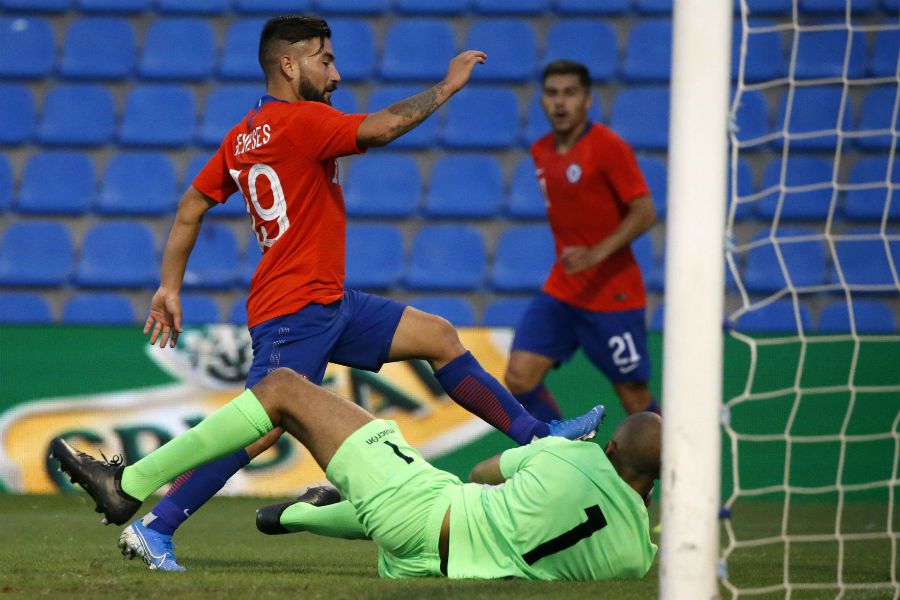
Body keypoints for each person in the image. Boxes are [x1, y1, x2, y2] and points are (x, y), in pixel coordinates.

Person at [126, 16, 603, 571]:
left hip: (329, 300)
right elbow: (378, 130)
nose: (335, 73)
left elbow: (190, 206)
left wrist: (169, 285)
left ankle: (537, 437)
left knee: (439, 336)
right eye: (324, 60)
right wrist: (447, 87)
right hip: (294, 310)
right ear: (289, 64)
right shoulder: (303, 121)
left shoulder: (243, 134)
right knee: (263, 427)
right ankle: (157, 524)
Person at [51, 368, 657, 581]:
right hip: (440, 560)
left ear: (610, 449)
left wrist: (553, 458)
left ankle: (125, 486)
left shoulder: (570, 456)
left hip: (426, 509)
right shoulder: (637, 557)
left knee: (285, 391)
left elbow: (483, 468)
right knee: (423, 498)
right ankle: (297, 513)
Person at [504, 60, 660, 424]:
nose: (560, 103)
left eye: (570, 94)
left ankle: (672, 470)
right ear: (542, 101)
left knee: (634, 396)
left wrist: (596, 253)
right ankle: (560, 455)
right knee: (518, 377)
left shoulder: (608, 147)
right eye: (552, 93)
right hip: (564, 287)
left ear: (588, 101)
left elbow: (645, 211)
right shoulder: (541, 150)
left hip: (613, 293)